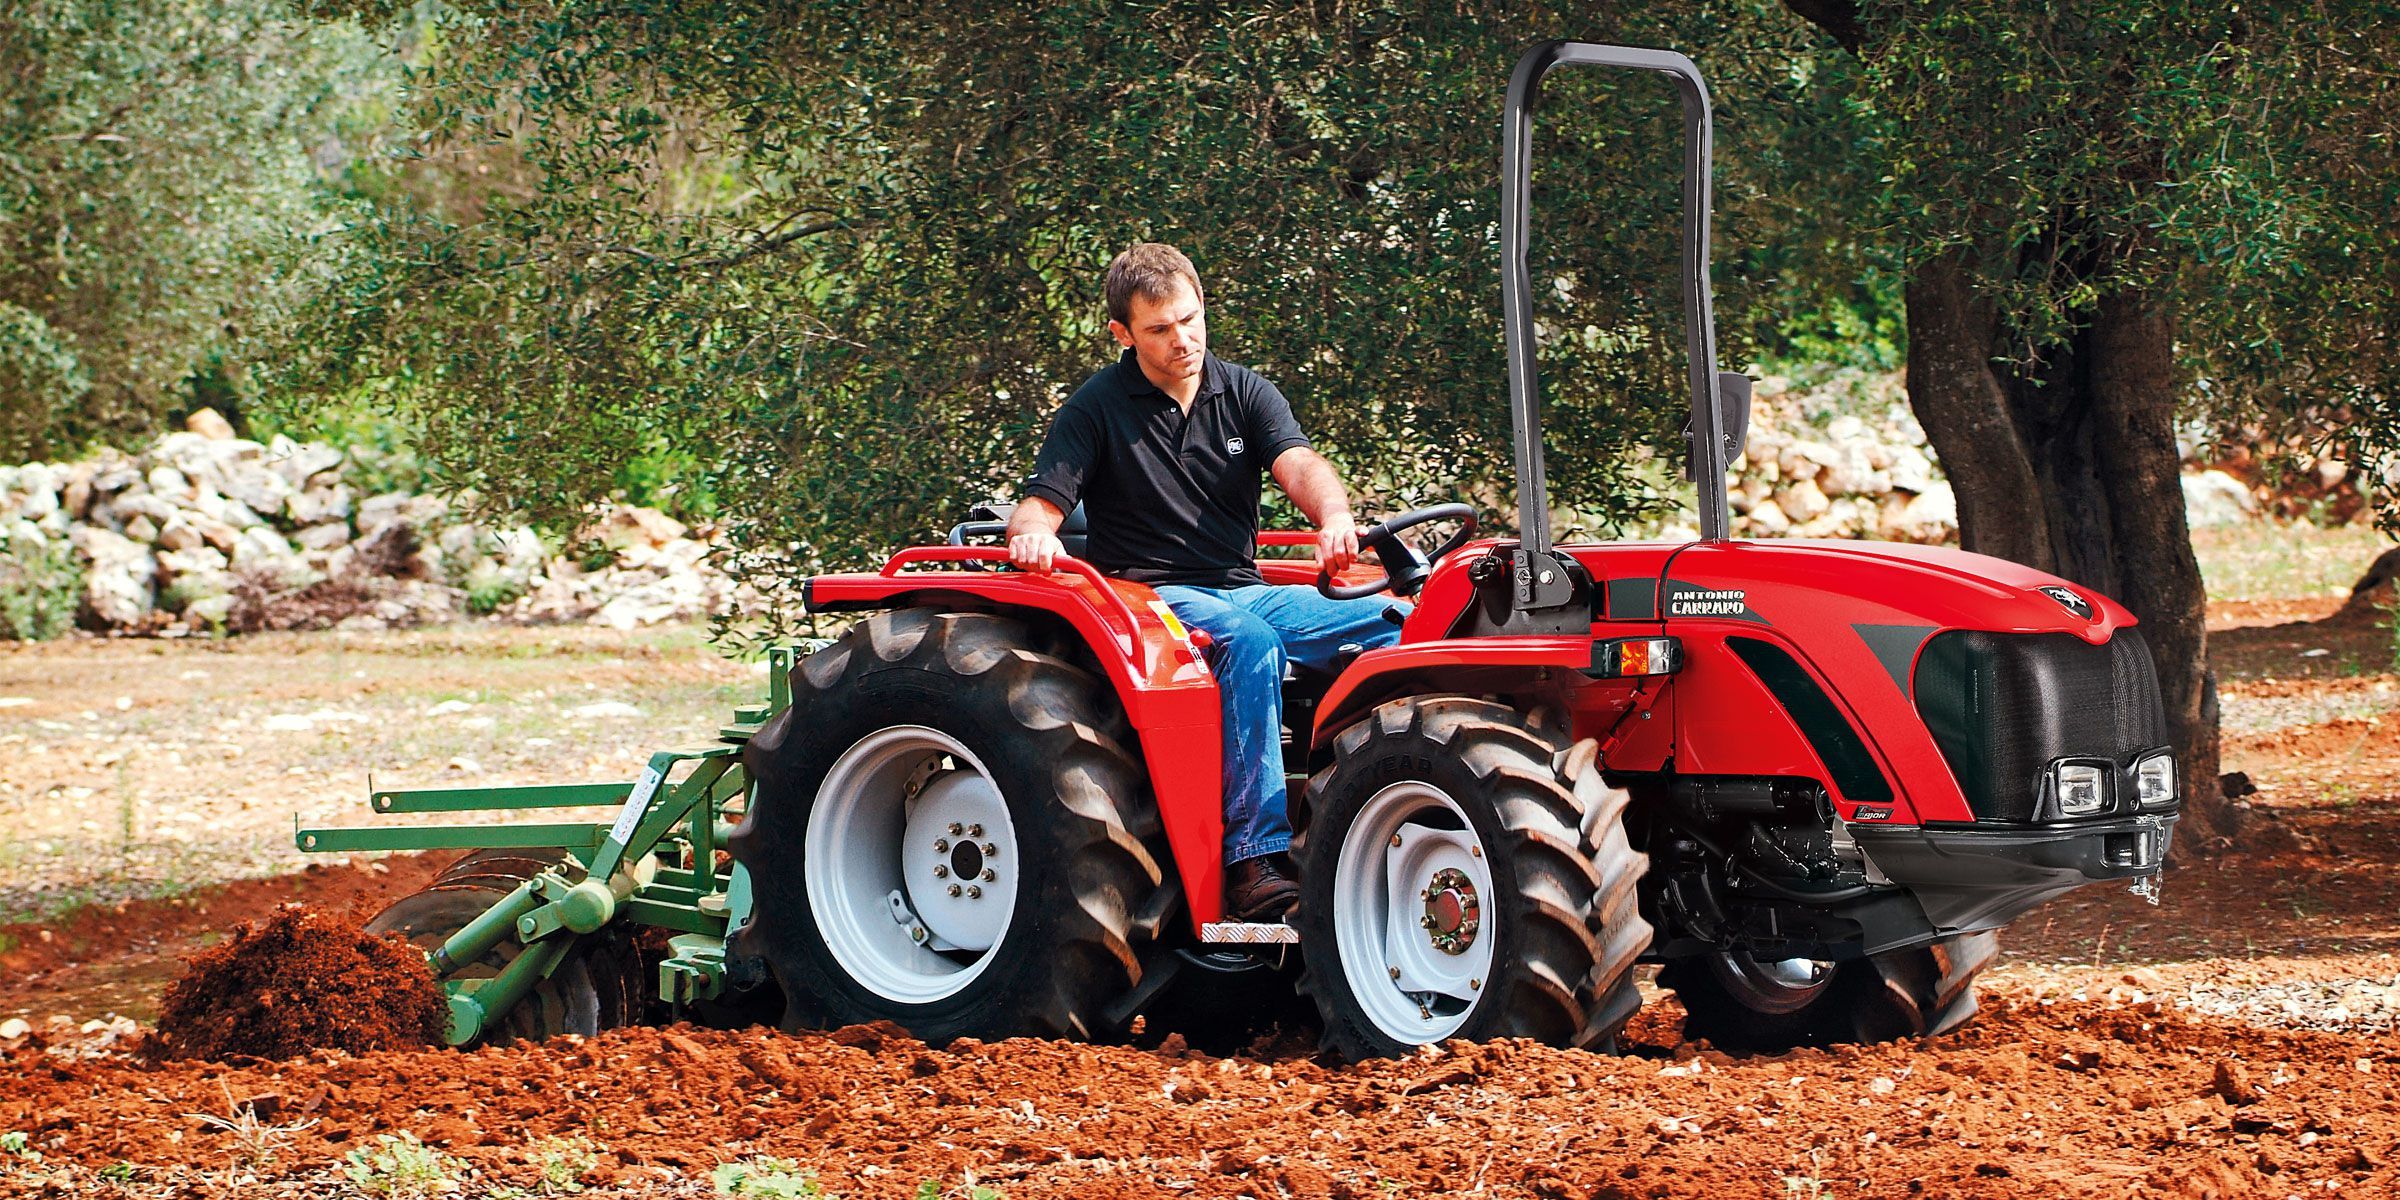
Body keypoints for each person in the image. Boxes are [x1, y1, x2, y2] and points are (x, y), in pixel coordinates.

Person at [1006, 243, 1405, 922]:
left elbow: (1299, 463)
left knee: (1401, 623)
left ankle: (1376, 822)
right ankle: (1253, 860)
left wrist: (1335, 517)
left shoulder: (1245, 392)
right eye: (1159, 329)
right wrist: (1033, 532)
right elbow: (1043, 499)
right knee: (1248, 644)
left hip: (1242, 585)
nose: (1181, 340)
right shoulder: (1097, 408)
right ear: (1123, 333)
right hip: (1153, 595)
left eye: (1189, 320)